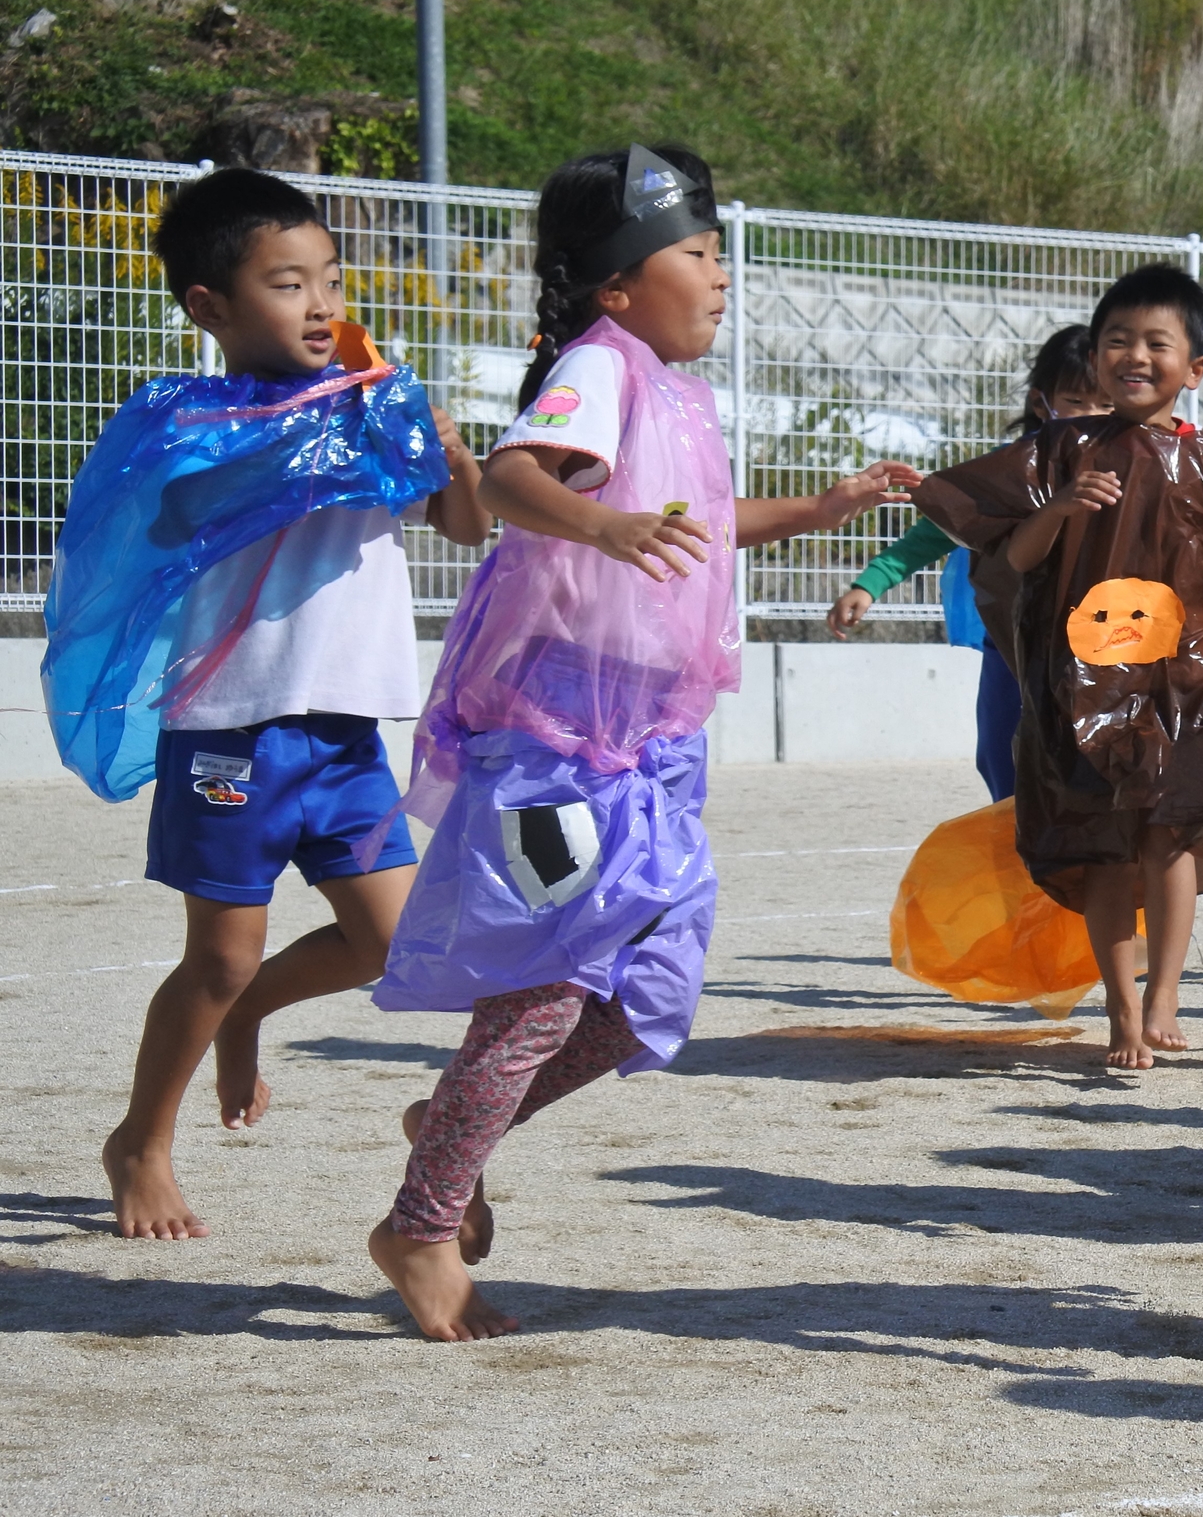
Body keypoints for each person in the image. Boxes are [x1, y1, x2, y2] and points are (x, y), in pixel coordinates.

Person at [368, 145, 917, 1339]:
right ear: (617, 285)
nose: (721, 274)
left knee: (647, 999)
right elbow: (516, 475)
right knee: (548, 990)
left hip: (652, 747)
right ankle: (420, 1223)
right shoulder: (596, 367)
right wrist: (603, 527)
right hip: (558, 743)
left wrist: (816, 511)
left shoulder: (677, 388)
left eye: (721, 253)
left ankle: (455, 1126)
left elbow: (703, 528)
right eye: (696, 253)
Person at [48, 168, 490, 1239]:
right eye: (288, 283)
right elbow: (176, 511)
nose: (323, 304)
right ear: (210, 305)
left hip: (344, 733)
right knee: (222, 949)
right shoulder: (184, 419)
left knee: (394, 945)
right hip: (229, 729)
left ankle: (247, 1017)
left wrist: (445, 447)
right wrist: (309, 447)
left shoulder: (374, 403)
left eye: (330, 279)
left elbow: (465, 524)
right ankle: (140, 1141)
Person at [914, 263, 1203, 1069]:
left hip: (1190, 678)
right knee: (1105, 849)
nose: (1135, 356)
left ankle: (1164, 992)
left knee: (1170, 834)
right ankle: (1121, 1010)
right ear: (1095, 357)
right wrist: (1058, 509)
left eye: (1158, 342)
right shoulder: (1059, 448)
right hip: (1086, 681)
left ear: (1197, 367)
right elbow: (1009, 555)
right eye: (1117, 340)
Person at [826, 326, 1102, 802]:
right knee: (1002, 757)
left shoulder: (1140, 473)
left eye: (1108, 404)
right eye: (1077, 400)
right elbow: (931, 535)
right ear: (1042, 403)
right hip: (1011, 646)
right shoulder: (1006, 473)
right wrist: (869, 584)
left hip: (1100, 646)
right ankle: (1018, 859)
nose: (1092, 417)